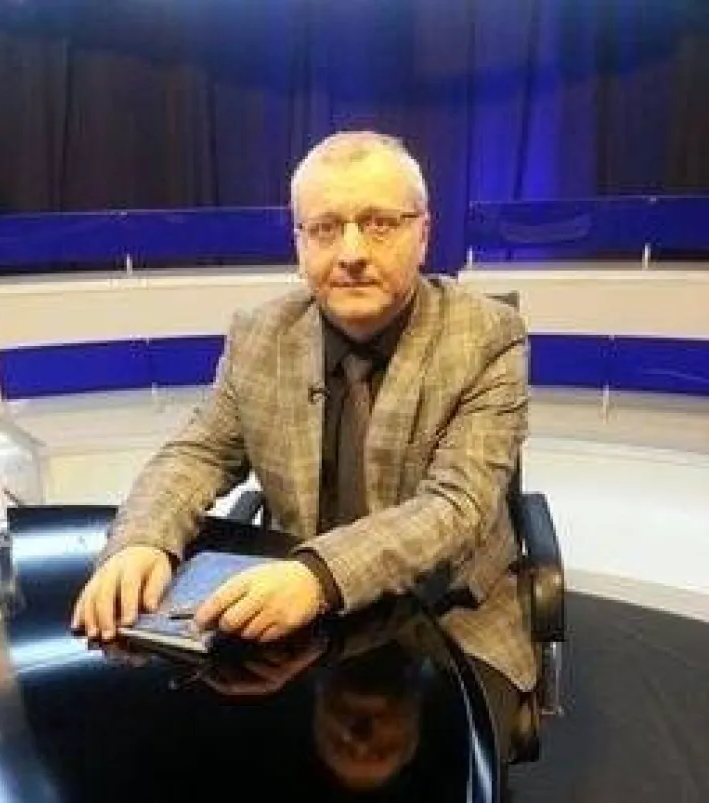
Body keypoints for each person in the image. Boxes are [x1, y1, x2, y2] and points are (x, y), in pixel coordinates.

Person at [71, 130, 535, 731]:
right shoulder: (260, 334)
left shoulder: (486, 337)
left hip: (449, 616)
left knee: (438, 774)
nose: (351, 252)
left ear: (423, 234)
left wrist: (318, 577)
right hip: (293, 621)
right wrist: (143, 540)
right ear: (299, 242)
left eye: (379, 224)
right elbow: (197, 453)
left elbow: (457, 507)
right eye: (324, 228)